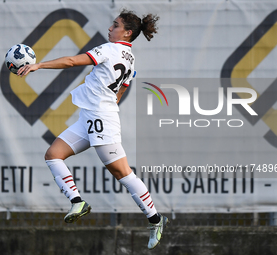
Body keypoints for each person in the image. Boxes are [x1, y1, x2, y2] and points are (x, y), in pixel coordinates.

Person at [18, 9, 168, 250]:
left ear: (127, 32)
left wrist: (39, 66)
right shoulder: (130, 57)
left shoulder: (109, 50)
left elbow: (71, 61)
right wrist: (112, 98)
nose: (110, 28)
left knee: (123, 173)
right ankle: (77, 201)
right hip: (90, 117)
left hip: (101, 118)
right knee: (53, 154)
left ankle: (156, 219)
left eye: (115, 25)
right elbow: (125, 85)